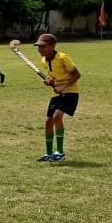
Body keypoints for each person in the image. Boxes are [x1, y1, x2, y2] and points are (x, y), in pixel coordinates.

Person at [34, 34, 81, 162]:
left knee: (57, 116)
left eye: (43, 46)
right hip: (56, 94)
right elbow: (54, 78)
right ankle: (48, 153)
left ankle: (60, 152)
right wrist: (50, 81)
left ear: (52, 46)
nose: (40, 49)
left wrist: (63, 86)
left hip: (71, 92)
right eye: (38, 47)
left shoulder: (62, 57)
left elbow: (77, 74)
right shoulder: (44, 61)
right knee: (48, 121)